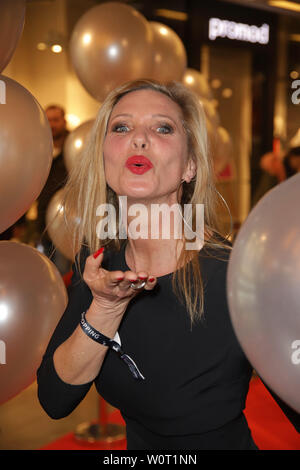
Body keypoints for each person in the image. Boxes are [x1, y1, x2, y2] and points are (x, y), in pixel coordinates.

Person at [37, 79, 300, 450]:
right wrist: (104, 309)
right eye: (122, 127)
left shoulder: (236, 276)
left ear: (189, 166)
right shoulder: (98, 263)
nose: (139, 139)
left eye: (162, 127)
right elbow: (54, 398)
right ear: (104, 156)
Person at [36, 104, 71, 273]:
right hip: (43, 223)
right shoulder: (39, 147)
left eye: (56, 120)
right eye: (48, 120)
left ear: (64, 121)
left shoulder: (75, 147)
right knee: (46, 272)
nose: (52, 125)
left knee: (64, 274)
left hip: (67, 224)